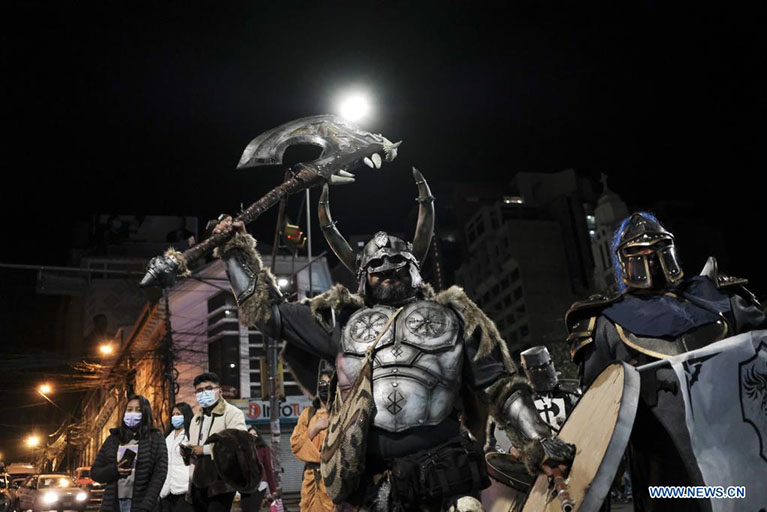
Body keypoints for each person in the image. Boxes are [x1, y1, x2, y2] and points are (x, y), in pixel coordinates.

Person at [212, 169, 574, 511]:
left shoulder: (455, 314)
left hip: (448, 472)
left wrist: (538, 440)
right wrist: (234, 252)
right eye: (377, 269)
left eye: (398, 266)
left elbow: (502, 386)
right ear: (362, 278)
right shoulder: (341, 320)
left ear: (414, 270)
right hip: (374, 480)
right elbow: (269, 314)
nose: (387, 272)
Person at [564, 212, 766, 511]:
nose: (649, 258)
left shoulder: (722, 301)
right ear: (624, 261)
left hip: (739, 456)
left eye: (656, 248)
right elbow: (597, 418)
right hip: (668, 473)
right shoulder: (606, 324)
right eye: (638, 253)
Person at [92, 395, 168, 512]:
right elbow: (95, 472)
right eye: (129, 409)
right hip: (113, 504)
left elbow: (160, 474)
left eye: (138, 410)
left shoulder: (155, 438)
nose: (133, 413)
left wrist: (147, 505)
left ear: (146, 413)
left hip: (141, 504)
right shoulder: (113, 439)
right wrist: (114, 470)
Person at [185, 372, 247, 512]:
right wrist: (188, 452)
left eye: (208, 388)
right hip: (198, 481)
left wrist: (205, 450)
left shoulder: (232, 413)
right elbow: (195, 448)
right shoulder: (195, 419)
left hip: (221, 481)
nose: (204, 393)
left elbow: (239, 443)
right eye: (200, 390)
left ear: (219, 391)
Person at [290, 369, 335, 512]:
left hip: (334, 481)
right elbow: (296, 445)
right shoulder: (307, 415)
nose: (325, 386)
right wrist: (314, 428)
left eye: (329, 383)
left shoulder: (342, 414)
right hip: (310, 480)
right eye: (322, 382)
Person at [160, 403, 194, 512]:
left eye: (178, 414)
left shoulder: (191, 435)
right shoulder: (167, 437)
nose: (175, 417)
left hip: (184, 489)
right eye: (173, 414)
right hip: (166, 490)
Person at [240, 426, 280, 512]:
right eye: (250, 434)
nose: (253, 436)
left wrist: (273, 489)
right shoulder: (242, 449)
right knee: (245, 509)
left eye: (255, 434)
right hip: (245, 485)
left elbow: (268, 469)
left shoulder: (263, 449)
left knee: (253, 509)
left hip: (260, 484)